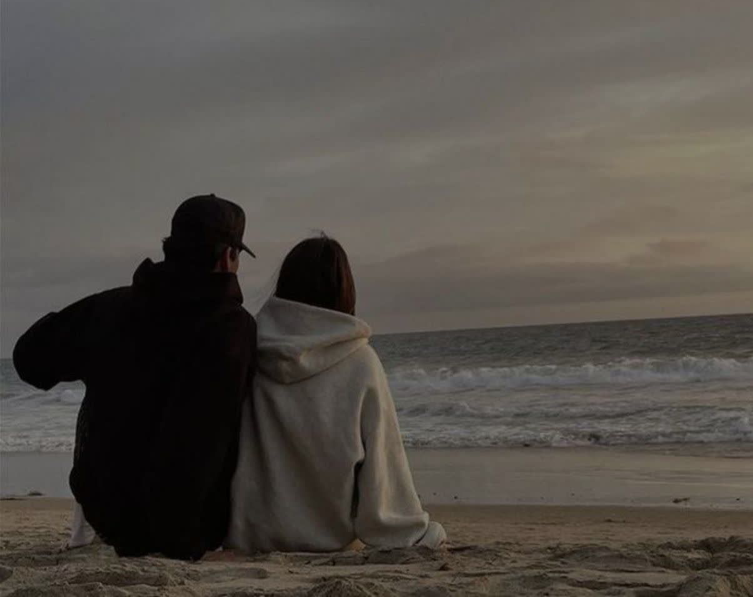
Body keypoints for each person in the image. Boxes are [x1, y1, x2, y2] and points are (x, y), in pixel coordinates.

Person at [12, 195, 257, 560]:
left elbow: (28, 358)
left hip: (107, 511)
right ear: (228, 257)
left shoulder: (112, 307)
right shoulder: (231, 327)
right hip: (187, 528)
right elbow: (203, 441)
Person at [226, 234, 446, 553]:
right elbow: (383, 474)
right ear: (345, 292)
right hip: (329, 541)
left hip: (250, 538)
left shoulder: (250, 350)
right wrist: (417, 532)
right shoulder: (360, 362)